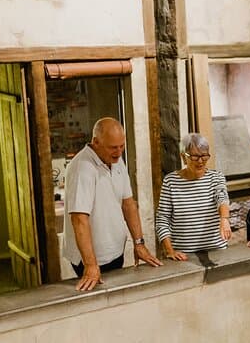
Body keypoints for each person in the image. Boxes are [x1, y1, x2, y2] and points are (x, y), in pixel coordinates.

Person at [63, 117, 161, 291]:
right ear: (96, 142)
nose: (118, 152)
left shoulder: (117, 160)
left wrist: (139, 243)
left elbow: (128, 204)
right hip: (92, 259)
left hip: (115, 252)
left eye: (121, 146)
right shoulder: (82, 168)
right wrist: (91, 265)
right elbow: (79, 219)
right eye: (113, 147)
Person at [155, 133, 231, 260]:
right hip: (184, 255)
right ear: (184, 157)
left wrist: (224, 219)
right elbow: (163, 219)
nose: (201, 161)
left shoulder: (216, 177)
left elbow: (222, 198)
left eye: (204, 156)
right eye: (195, 157)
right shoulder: (170, 182)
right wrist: (170, 251)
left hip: (216, 250)